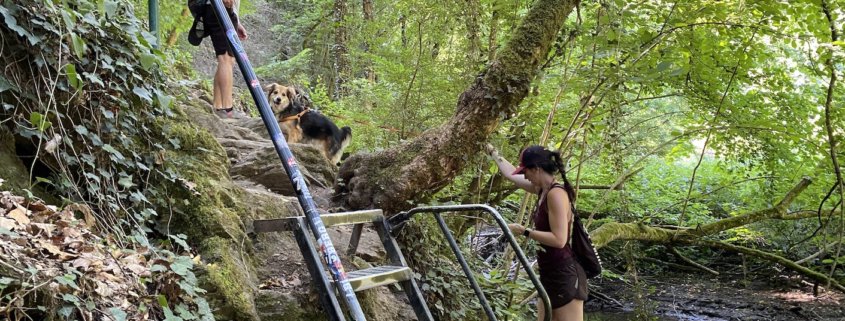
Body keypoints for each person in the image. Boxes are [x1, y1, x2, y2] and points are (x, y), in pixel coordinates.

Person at [487, 144, 587, 321]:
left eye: (526, 171)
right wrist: (494, 153)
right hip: (549, 273)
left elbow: (559, 239)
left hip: (564, 276)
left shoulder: (555, 194)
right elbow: (511, 175)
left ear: (537, 169)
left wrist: (524, 231)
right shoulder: (541, 189)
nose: (524, 176)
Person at [198, 0, 248, 118]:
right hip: (221, 9)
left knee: (227, 60)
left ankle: (218, 107)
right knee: (225, 58)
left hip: (226, 11)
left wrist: (237, 21)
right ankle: (227, 109)